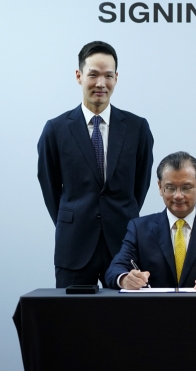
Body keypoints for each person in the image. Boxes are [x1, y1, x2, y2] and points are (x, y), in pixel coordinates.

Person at [38, 41, 154, 288]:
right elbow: (50, 187)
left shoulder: (137, 128)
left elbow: (140, 187)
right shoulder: (55, 130)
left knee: (126, 322)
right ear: (79, 76)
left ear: (116, 78)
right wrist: (71, 220)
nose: (101, 83)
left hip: (124, 242)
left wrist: (121, 215)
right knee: (72, 322)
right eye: (93, 74)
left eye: (108, 76)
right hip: (74, 244)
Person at [105, 152, 196, 289]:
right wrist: (124, 279)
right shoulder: (139, 228)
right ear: (160, 187)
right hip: (154, 312)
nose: (178, 196)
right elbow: (114, 270)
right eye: (170, 188)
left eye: (186, 188)